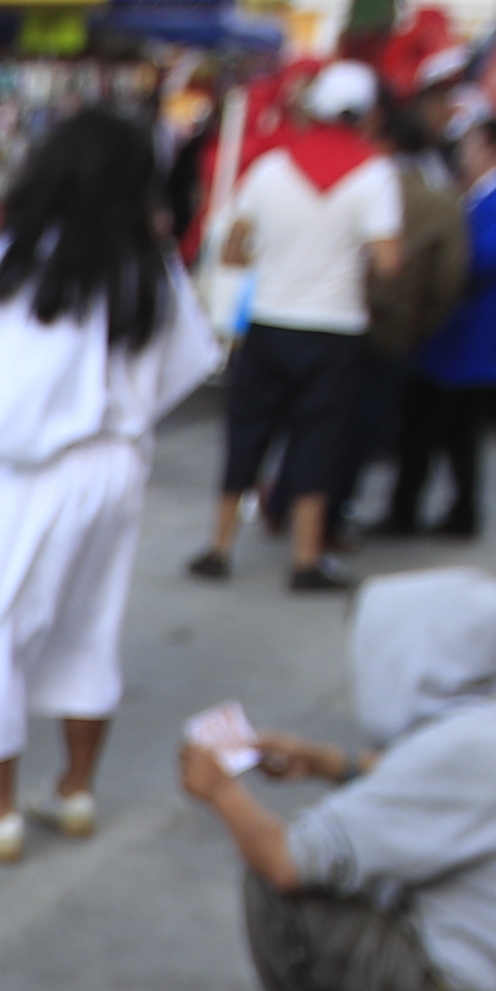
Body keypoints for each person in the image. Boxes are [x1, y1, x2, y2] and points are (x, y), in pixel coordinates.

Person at [0, 106, 218, 862]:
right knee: (88, 626)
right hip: (119, 466)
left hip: (42, 471)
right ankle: (73, 791)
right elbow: (189, 360)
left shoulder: (28, 255)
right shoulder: (152, 264)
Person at [186, 569, 496, 991]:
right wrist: (325, 762)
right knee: (366, 860)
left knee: (276, 883)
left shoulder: (457, 751)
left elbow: (286, 862)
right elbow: (427, 790)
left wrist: (220, 791)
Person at [196, 59, 405, 592]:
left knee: (248, 431)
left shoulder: (269, 168)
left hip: (269, 319)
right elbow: (388, 263)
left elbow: (235, 245)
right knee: (319, 440)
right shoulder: (375, 174)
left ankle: (219, 547)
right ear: (367, 116)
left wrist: (270, 259)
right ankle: (305, 558)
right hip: (336, 327)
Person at [381, 116, 496, 543]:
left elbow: (480, 261)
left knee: (431, 426)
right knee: (456, 432)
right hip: (461, 334)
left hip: (468, 334)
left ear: (493, 147)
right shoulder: (485, 196)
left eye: (470, 143)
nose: (462, 152)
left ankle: (411, 510)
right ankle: (456, 510)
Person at [351, 96, 472, 534]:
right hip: (399, 331)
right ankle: (336, 513)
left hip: (335, 322)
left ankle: (299, 506)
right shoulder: (441, 203)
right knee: (369, 426)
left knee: (330, 423)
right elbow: (449, 280)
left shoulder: (352, 186)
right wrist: (423, 323)